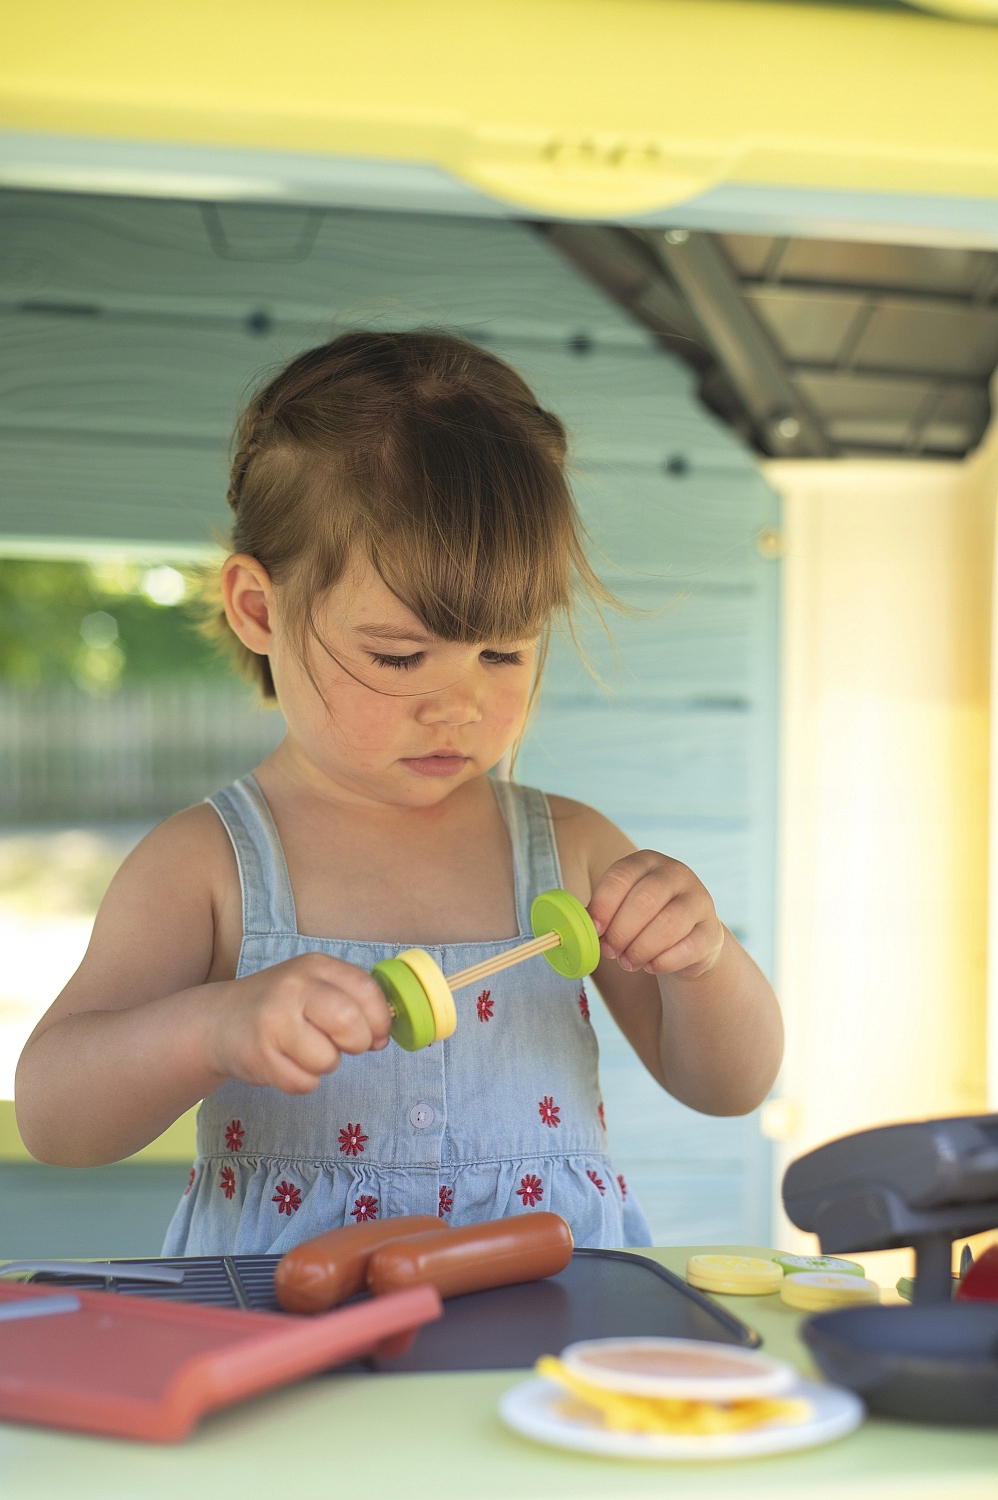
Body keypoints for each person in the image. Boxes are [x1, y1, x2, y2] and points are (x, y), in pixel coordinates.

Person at [15, 331, 782, 1253]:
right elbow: (54, 1119)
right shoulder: (208, 865)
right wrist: (211, 1028)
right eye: (400, 656)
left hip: (544, 1317)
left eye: (503, 652)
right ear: (259, 610)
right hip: (285, 1323)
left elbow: (727, 1087)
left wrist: (704, 961)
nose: (459, 706)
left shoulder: (572, 850)